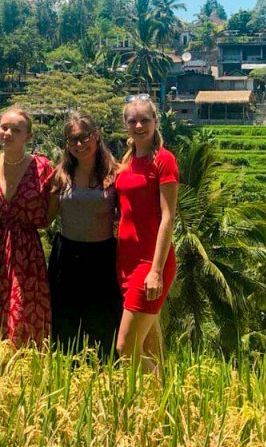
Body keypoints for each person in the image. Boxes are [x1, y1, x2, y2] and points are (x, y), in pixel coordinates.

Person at [0, 107, 54, 347]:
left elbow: (54, 205)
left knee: (26, 315)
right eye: (4, 127)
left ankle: (24, 376)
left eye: (16, 130)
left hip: (27, 254)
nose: (7, 133)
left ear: (28, 136)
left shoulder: (42, 168)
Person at [46, 111, 123, 358]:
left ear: (96, 136)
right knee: (66, 323)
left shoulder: (115, 174)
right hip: (66, 255)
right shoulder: (60, 175)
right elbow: (45, 218)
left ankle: (105, 378)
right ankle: (68, 378)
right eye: (72, 140)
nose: (79, 144)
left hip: (103, 256)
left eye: (84, 137)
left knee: (104, 322)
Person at [113, 95, 178, 373]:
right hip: (125, 261)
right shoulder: (127, 161)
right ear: (126, 124)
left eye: (145, 120)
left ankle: (163, 396)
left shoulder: (163, 161)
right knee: (148, 344)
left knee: (125, 347)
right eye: (133, 120)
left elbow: (168, 218)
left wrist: (156, 270)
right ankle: (152, 407)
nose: (139, 125)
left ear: (155, 122)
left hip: (149, 264)